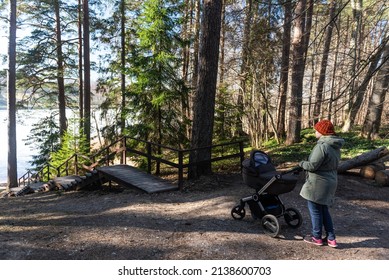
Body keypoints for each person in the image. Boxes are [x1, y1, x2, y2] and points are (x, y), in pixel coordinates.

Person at [299, 119, 345, 248]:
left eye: (316, 130)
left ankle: (316, 237)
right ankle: (331, 239)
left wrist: (301, 163)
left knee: (315, 211)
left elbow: (313, 165)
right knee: (324, 210)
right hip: (331, 181)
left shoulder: (322, 146)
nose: (315, 132)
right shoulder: (335, 146)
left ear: (322, 132)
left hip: (318, 183)